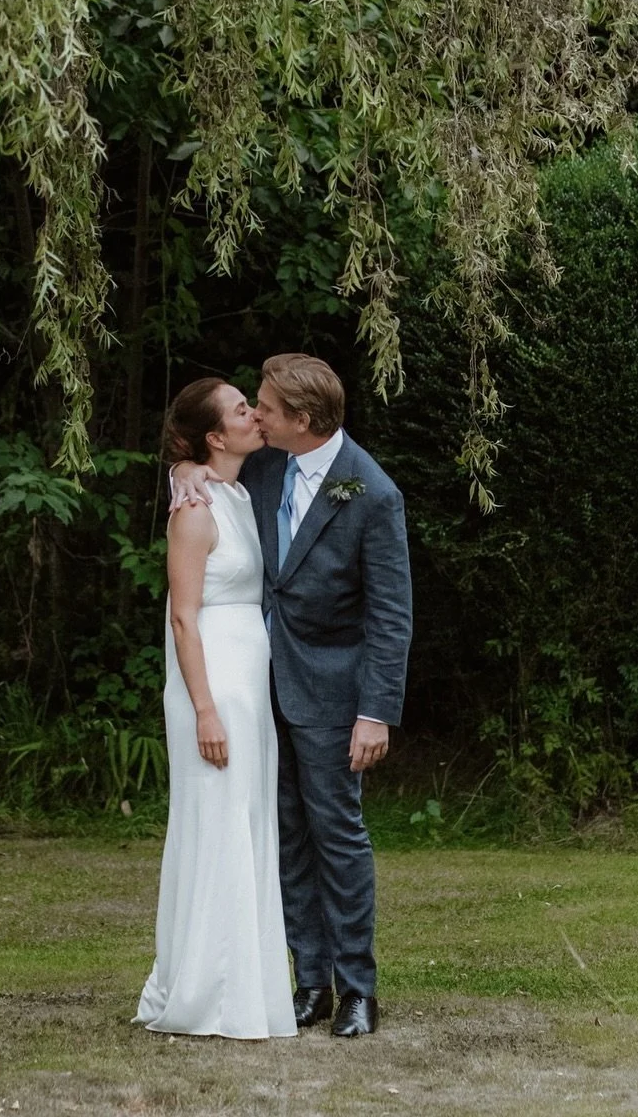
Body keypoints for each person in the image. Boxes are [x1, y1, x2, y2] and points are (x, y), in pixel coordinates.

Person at [169, 353, 412, 1039]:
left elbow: (392, 615)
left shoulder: (372, 493)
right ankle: (308, 981)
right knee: (285, 837)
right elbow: (202, 475)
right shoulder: (269, 462)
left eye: (267, 408)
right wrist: (181, 472)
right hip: (256, 684)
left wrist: (375, 712)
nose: (257, 416)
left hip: (335, 695)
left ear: (302, 420)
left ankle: (356, 988)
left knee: (337, 835)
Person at [136, 378, 297, 1039]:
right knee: (217, 821)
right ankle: (210, 992)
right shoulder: (195, 510)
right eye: (241, 411)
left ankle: (246, 987)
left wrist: (182, 468)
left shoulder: (229, 490)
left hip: (247, 678)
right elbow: (181, 617)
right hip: (213, 680)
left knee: (248, 819)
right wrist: (204, 709)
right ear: (213, 435)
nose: (255, 416)